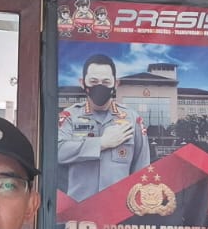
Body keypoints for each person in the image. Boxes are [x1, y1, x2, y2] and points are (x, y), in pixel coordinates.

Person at [58, 53, 151, 199]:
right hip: (79, 207)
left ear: (116, 84)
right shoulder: (70, 117)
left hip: (118, 207)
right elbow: (58, 152)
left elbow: (142, 168)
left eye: (106, 82)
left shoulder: (132, 119)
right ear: (82, 82)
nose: (99, 86)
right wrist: (101, 143)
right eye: (93, 81)